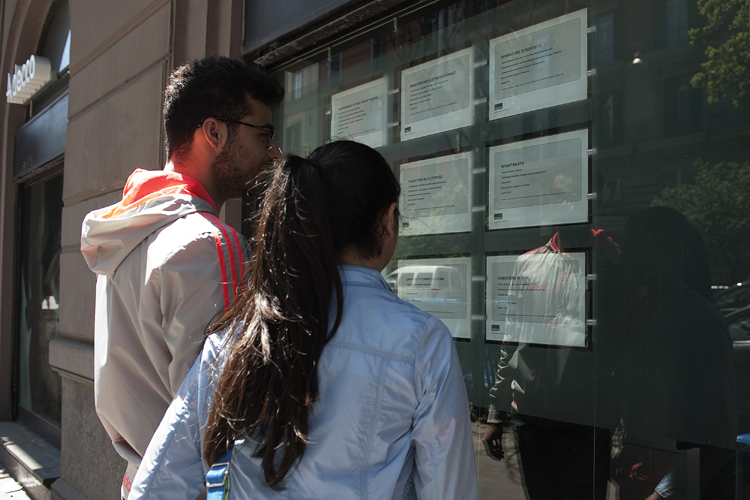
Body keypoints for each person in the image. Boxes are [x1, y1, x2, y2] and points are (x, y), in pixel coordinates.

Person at [129, 140, 478, 500]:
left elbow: (155, 485)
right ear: (387, 222)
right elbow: (449, 489)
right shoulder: (422, 343)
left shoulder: (240, 333)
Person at [80, 56, 284, 499]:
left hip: (141, 479)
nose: (273, 152)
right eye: (263, 134)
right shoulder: (211, 243)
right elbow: (227, 415)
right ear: (214, 132)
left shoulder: (131, 229)